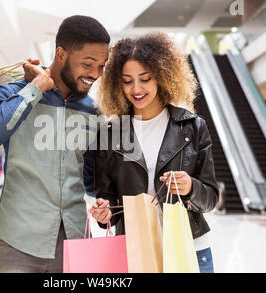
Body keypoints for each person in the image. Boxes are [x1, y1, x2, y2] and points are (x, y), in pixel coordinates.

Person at [0, 15, 110, 273]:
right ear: (61, 54)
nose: (96, 74)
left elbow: (91, 178)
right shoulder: (13, 91)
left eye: (102, 66)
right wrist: (35, 88)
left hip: (75, 242)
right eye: (88, 64)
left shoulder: (93, 111)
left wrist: (105, 200)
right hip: (18, 242)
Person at [90, 33, 219, 273]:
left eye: (145, 79)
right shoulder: (111, 134)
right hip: (135, 251)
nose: (136, 89)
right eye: (127, 81)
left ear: (161, 76)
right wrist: (103, 212)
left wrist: (190, 186)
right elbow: (107, 198)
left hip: (189, 248)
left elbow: (210, 198)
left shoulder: (192, 127)